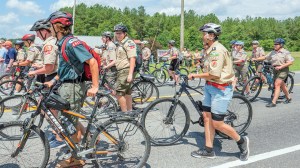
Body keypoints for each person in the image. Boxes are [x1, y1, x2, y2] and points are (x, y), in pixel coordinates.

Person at [188, 23, 249, 161]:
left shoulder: (217, 50)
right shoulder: (210, 49)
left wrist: (194, 76)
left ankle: (241, 141)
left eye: (204, 33)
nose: (202, 36)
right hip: (210, 87)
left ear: (211, 35)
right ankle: (209, 150)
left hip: (220, 89)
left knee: (217, 123)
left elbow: (214, 73)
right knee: (206, 118)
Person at [46, 11, 99, 167]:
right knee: (69, 121)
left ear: (58, 26)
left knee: (70, 123)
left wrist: (95, 86)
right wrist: (53, 80)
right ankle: (88, 141)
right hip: (66, 85)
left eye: (51, 25)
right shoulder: (62, 43)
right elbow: (67, 68)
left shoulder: (71, 43)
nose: (49, 28)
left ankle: (75, 159)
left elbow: (92, 62)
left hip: (73, 87)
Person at [252, 38, 294, 107]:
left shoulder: (285, 52)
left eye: (276, 44)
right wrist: (256, 59)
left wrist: (281, 67)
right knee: (282, 84)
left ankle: (273, 102)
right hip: (274, 69)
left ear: (281, 45)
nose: (274, 45)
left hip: (283, 70)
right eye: (274, 44)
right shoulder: (273, 52)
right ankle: (289, 98)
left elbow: (290, 62)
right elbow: (265, 57)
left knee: (277, 84)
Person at [114, 23, 136, 112]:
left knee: (119, 93)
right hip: (122, 71)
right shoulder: (120, 44)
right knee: (127, 93)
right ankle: (129, 111)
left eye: (120, 33)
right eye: (116, 33)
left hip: (125, 71)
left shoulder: (129, 43)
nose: (118, 35)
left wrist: (130, 74)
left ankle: (124, 113)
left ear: (125, 33)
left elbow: (132, 58)